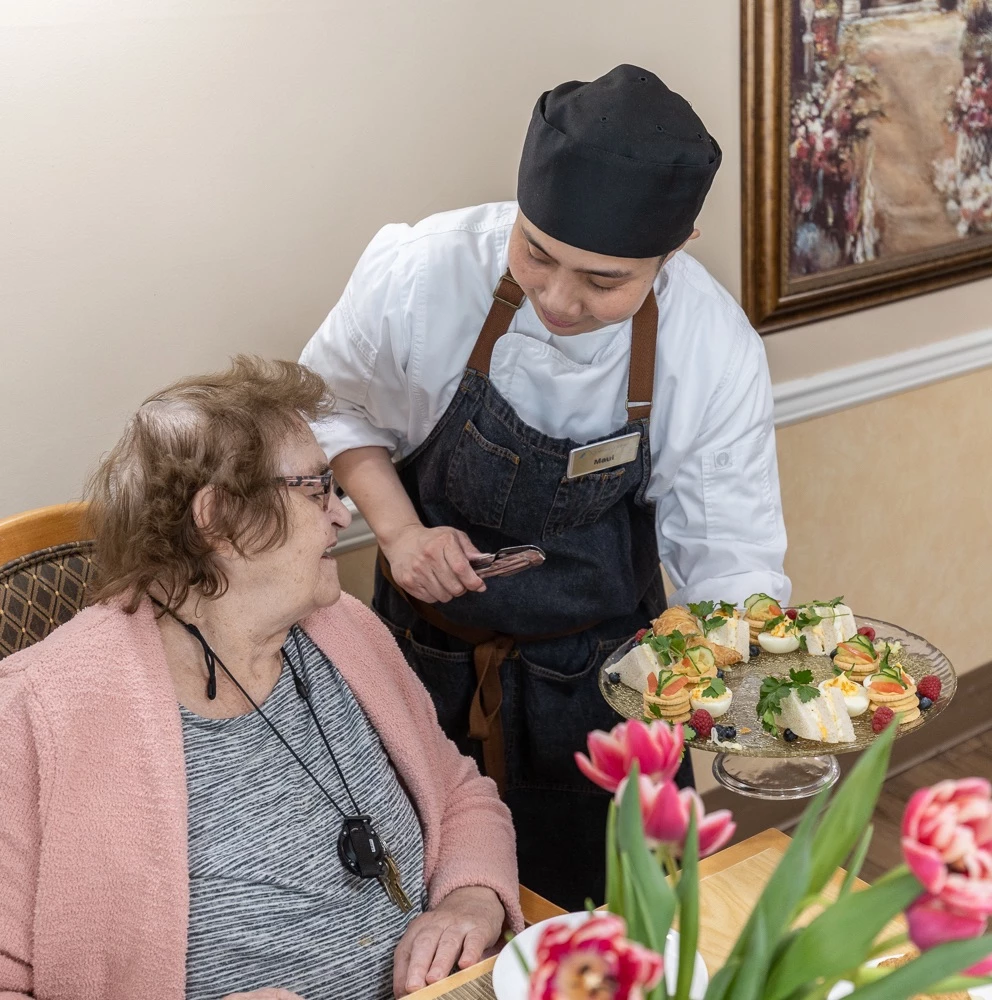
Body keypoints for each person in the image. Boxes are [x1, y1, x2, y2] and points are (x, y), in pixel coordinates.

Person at [300, 64, 791, 909]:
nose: (559, 299)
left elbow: (729, 557)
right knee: (421, 913)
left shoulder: (710, 348)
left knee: (607, 917)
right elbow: (333, 406)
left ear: (675, 250)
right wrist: (399, 533)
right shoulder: (427, 272)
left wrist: (746, 709)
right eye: (537, 253)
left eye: (605, 282)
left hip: (608, 685)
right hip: (423, 664)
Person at [0, 357, 522, 1000]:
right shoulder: (38, 713)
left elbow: (458, 791)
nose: (341, 513)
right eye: (317, 488)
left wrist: (471, 900)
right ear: (219, 519)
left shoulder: (342, 628)